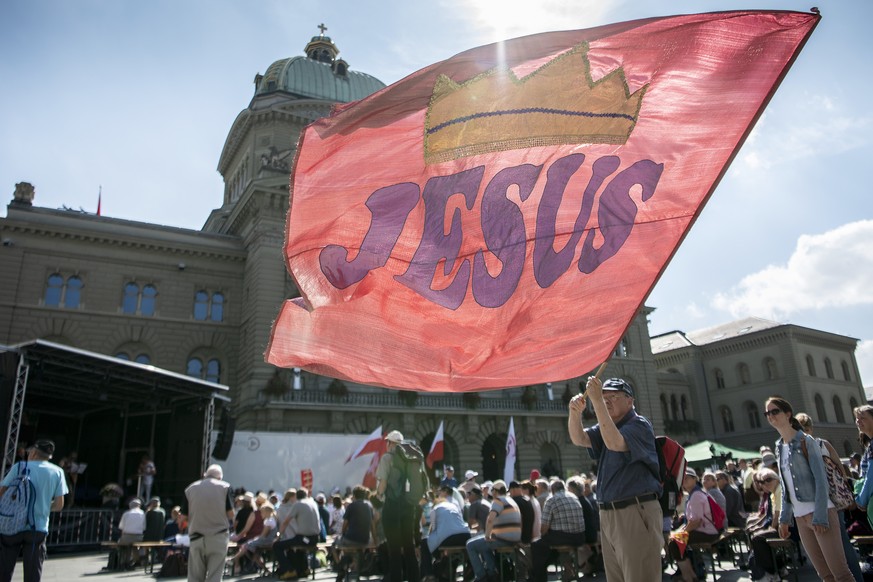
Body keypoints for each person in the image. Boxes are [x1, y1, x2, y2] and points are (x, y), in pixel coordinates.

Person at [567, 376, 663, 581]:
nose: (606, 400)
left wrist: (597, 402)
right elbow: (579, 438)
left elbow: (614, 443)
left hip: (633, 510)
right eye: (604, 396)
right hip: (610, 513)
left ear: (630, 401)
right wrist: (574, 414)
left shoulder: (638, 424)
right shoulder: (608, 426)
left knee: (639, 576)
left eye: (613, 396)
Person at [765, 396, 853, 581]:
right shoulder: (779, 447)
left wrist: (820, 516)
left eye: (775, 411)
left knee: (841, 573)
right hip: (800, 518)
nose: (770, 416)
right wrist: (784, 519)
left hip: (820, 513)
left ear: (788, 414)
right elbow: (785, 486)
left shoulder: (806, 441)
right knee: (824, 574)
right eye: (767, 413)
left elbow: (821, 481)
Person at [795, 412, 863, 582]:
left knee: (833, 551)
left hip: (819, 504)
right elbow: (840, 470)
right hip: (832, 502)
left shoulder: (798, 449)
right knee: (841, 547)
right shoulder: (822, 444)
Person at [0, 439, 67, 582]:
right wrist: (43, 506)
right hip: (38, 527)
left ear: (34, 453)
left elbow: (2, 491)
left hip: (11, 524)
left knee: (4, 567)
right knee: (33, 572)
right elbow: (59, 505)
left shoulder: (19, 467)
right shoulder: (58, 472)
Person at [376, 430, 420, 582]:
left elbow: (382, 484)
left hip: (392, 506)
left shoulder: (387, 458)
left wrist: (378, 495)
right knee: (409, 547)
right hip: (409, 506)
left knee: (394, 549)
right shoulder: (411, 458)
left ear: (390, 443)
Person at [668, 468, 721, 582]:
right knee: (674, 541)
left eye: (688, 477)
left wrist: (681, 533)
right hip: (705, 530)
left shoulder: (696, 495)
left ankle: (688, 576)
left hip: (707, 532)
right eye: (683, 478)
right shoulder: (694, 494)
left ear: (694, 479)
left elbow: (696, 522)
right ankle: (691, 575)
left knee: (674, 543)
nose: (685, 480)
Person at [184, 464, 233, 582]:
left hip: (196, 538)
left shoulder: (190, 489)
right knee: (215, 576)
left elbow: (184, 517)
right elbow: (231, 514)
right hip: (218, 537)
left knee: (195, 576)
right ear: (220, 477)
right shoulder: (225, 487)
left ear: (205, 475)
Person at [465, 480, 520, 582]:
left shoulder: (498, 501)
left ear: (495, 491)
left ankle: (481, 576)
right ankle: (491, 573)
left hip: (503, 539)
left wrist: (487, 536)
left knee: (470, 545)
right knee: (484, 546)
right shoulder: (511, 501)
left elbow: (490, 519)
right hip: (515, 538)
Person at [531, 479, 585, 582]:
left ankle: (539, 579)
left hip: (563, 537)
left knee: (537, 546)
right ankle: (568, 570)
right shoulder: (574, 497)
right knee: (548, 545)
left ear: (552, 489)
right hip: (580, 537)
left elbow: (543, 529)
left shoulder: (551, 499)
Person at [420, 486, 470, 581]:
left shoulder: (435, 509)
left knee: (424, 543)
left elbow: (433, 528)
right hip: (465, 536)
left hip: (450, 537)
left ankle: (429, 574)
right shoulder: (454, 506)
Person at [275, 488, 321, 580]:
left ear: (296, 496)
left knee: (277, 546)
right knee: (297, 544)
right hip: (315, 538)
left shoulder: (298, 505)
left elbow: (285, 522)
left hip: (304, 538)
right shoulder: (313, 503)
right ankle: (304, 569)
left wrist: (278, 536)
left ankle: (289, 570)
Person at [118, 498, 146, 569]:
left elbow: (121, 527)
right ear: (139, 505)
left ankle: (123, 562)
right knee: (135, 547)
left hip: (127, 536)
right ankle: (137, 561)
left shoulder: (126, 514)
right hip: (138, 537)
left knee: (123, 546)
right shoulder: (143, 513)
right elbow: (144, 527)